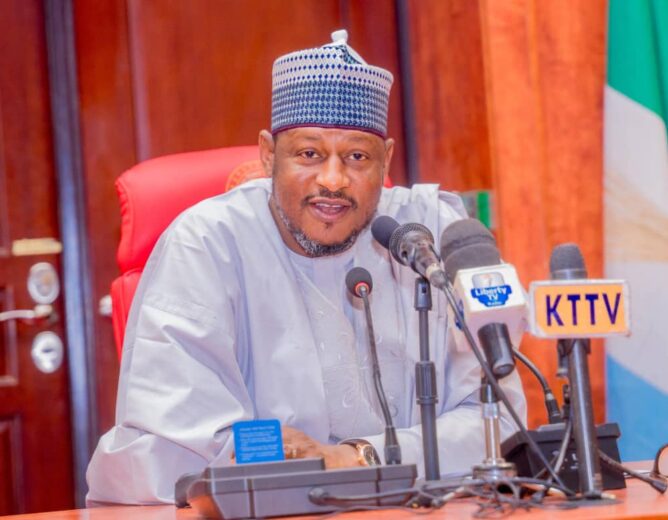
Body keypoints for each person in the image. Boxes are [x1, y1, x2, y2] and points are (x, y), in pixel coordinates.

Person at [86, 29, 526, 505]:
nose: (333, 180)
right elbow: (177, 446)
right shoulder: (208, 245)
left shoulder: (428, 233)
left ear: (386, 160)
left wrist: (355, 458)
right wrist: (298, 464)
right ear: (268, 154)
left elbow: (496, 419)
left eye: (357, 156)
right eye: (309, 154)